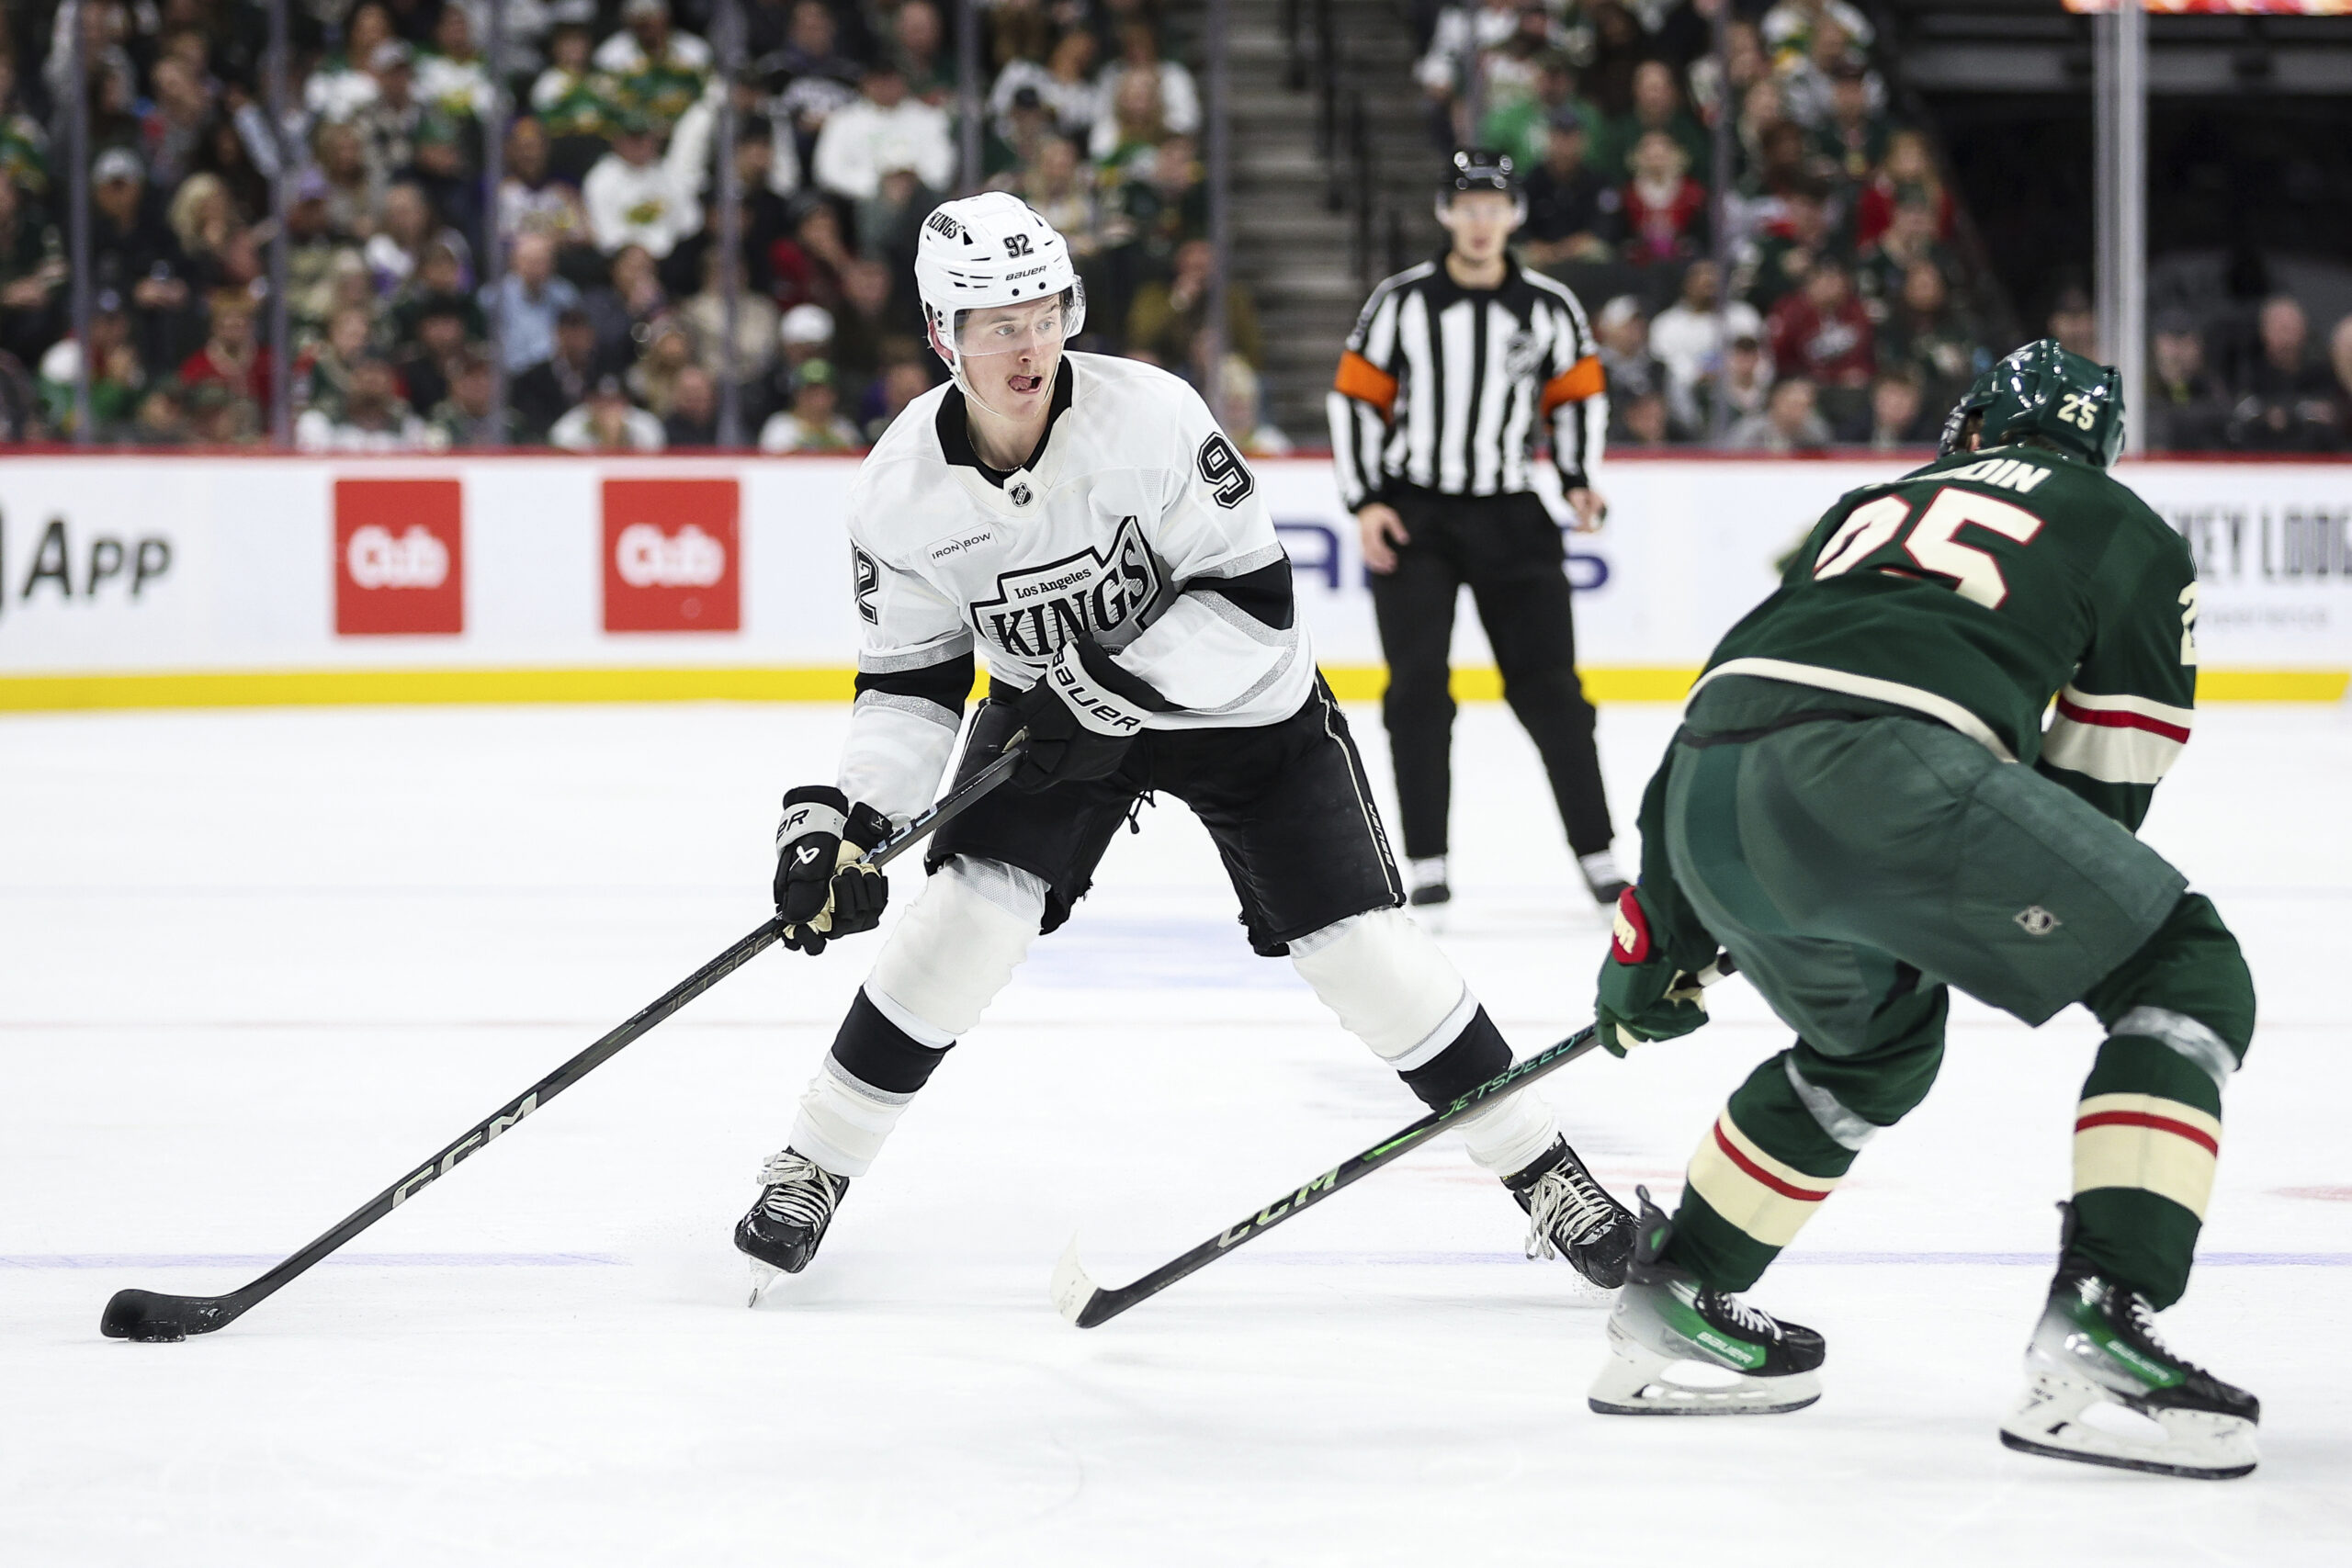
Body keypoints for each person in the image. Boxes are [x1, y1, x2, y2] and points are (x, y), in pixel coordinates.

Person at [732, 189, 1636, 1303]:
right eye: (995, 320)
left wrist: (1103, 688)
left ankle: (1544, 1169)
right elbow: (910, 686)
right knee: (964, 917)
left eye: (1044, 309)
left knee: (1360, 949)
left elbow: (1258, 608)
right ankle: (813, 1163)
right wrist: (851, 818)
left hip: (1239, 716)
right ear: (940, 335)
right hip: (1055, 721)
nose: (1029, 342)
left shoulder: (1151, 417)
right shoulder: (898, 492)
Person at [1583, 340, 2260, 1481]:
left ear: (1979, 425)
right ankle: (2103, 1315)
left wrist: (1654, 943)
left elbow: (1736, 685)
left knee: (1873, 1045)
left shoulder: (1870, 502)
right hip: (1884, 777)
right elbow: (2099, 796)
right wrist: (1953, 896)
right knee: (2186, 973)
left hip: (1702, 783)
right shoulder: (2125, 524)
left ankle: (1679, 1297)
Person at [1328, 151, 1624, 909]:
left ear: (1515, 215)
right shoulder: (1401, 303)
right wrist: (1366, 500)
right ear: (1445, 214)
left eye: (1495, 206)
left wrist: (1578, 478)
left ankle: (1598, 853)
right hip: (1417, 511)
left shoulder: (1550, 306)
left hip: (1511, 512)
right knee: (1418, 688)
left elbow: (1577, 394)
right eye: (1469, 205)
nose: (1482, 220)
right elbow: (1356, 398)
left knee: (1552, 688)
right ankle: (1427, 860)